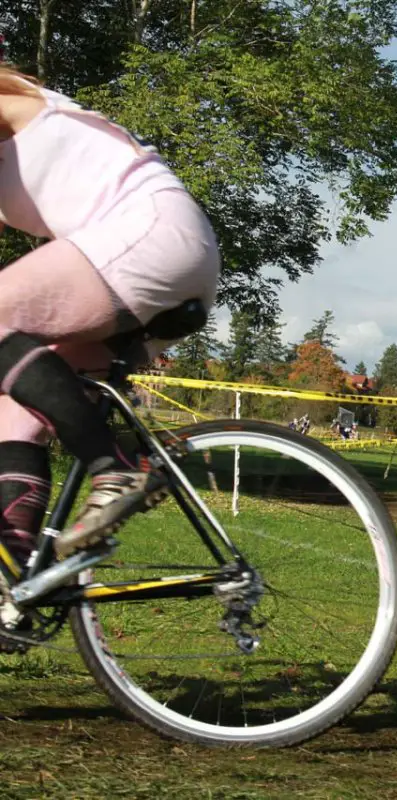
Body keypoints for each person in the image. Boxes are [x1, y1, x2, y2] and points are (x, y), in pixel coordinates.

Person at [0, 64, 220, 565]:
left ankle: (115, 466)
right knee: (12, 415)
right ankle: (17, 577)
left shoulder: (11, 102)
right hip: (165, 257)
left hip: (149, 236)